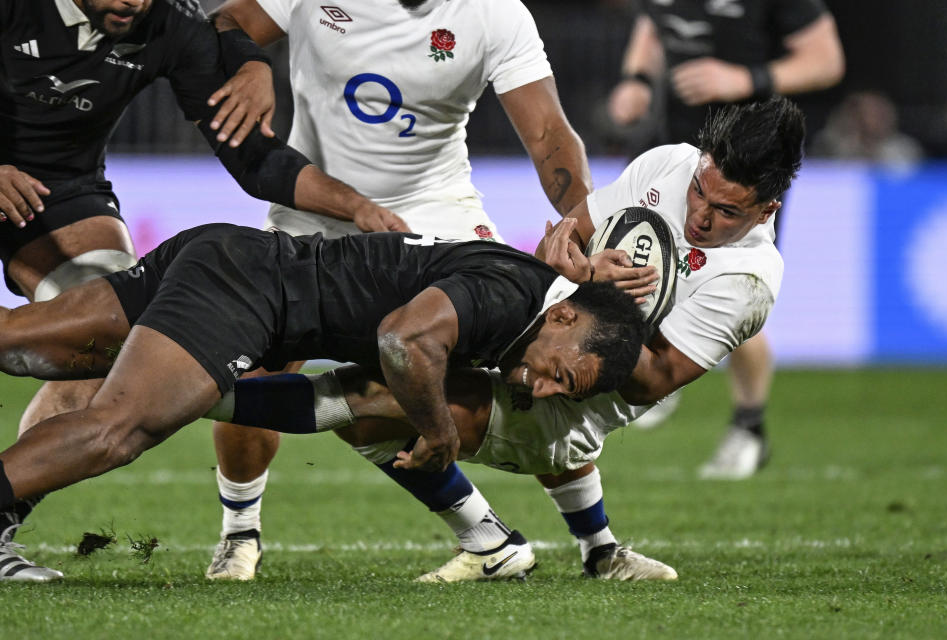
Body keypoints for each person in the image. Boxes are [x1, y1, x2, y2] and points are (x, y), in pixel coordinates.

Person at [205, 97, 806, 582]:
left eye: (726, 211)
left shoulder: (749, 281)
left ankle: (200, 395)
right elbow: (564, 240)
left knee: (371, 404)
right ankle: (598, 551)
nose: (701, 213)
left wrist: (594, 305)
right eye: (701, 191)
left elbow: (653, 379)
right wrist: (571, 262)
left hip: (569, 401)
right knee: (392, 340)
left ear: (767, 209)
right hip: (539, 326)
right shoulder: (671, 163)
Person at [0, 0, 413, 581]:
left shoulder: (167, 23)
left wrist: (357, 208)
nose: (132, 3)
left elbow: (253, 159)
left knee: (103, 347)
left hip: (58, 194)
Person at [202, 0, 599, 580]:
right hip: (313, 210)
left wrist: (580, 227)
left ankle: (599, 543)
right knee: (252, 370)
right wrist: (252, 67)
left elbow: (548, 134)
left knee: (528, 353)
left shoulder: (494, 13)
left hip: (433, 213)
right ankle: (240, 535)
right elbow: (226, 21)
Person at [0, 222, 646, 522]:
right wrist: (438, 431)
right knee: (118, 431)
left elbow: (354, 391)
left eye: (564, 392)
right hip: (248, 293)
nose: (542, 389)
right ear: (563, 319)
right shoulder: (511, 300)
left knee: (30, 346)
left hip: (228, 251)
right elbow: (404, 338)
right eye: (560, 373)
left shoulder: (522, 293)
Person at [605, 0, 844, 479]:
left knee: (732, 288)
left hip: (747, 176)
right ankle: (657, 371)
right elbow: (654, 25)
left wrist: (745, 80)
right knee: (642, 262)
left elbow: (826, 60)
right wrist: (637, 80)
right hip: (684, 159)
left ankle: (747, 424)